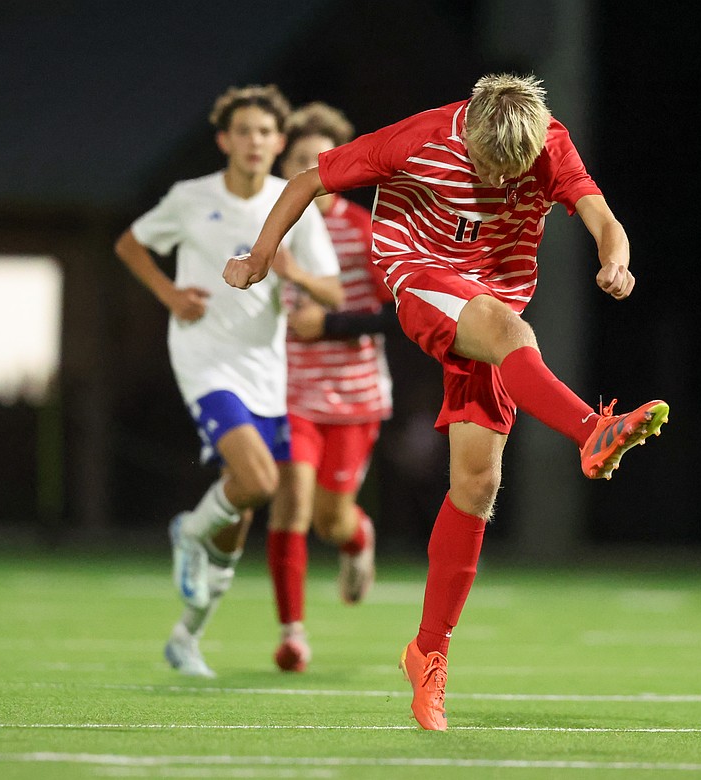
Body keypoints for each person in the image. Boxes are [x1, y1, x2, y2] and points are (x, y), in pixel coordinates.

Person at [222, 73, 669, 730]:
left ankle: (427, 653)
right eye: (488, 168)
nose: (498, 183)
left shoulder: (548, 143)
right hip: (421, 277)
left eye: (512, 173)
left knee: (478, 483)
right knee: (517, 333)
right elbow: (308, 179)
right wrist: (261, 256)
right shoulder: (420, 138)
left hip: (491, 311)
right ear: (470, 133)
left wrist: (615, 259)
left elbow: (601, 216)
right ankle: (590, 430)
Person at [114, 85, 343, 677]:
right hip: (205, 360)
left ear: (279, 142)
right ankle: (186, 529)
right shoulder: (192, 198)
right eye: (243, 131)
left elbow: (335, 292)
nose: (254, 142)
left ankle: (185, 638)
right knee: (258, 481)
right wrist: (169, 294)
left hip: (266, 370)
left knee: (235, 521)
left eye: (265, 132)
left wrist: (296, 276)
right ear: (224, 140)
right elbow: (130, 243)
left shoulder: (292, 202)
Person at [267, 102, 396, 672]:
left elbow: (402, 315)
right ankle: (292, 633)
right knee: (291, 501)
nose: (311, 168)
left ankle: (356, 537)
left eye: (322, 160)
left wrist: (331, 324)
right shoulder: (268, 223)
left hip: (353, 395)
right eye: (300, 159)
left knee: (329, 520)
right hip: (287, 391)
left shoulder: (365, 230)